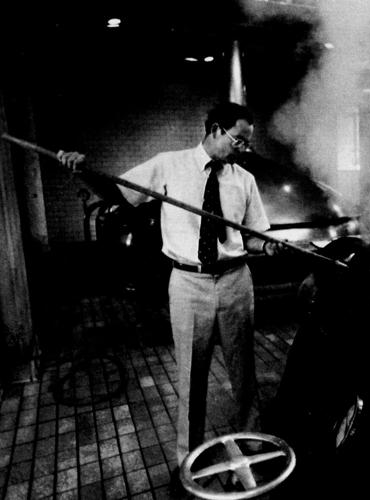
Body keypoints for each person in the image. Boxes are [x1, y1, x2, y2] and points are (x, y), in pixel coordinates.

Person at [58, 102, 284, 491]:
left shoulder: (243, 178)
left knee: (244, 372)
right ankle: (189, 461)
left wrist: (268, 248)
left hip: (235, 281)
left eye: (247, 142)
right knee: (191, 376)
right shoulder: (168, 165)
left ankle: (252, 444)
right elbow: (116, 192)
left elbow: (252, 234)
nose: (244, 148)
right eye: (239, 140)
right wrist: (81, 169)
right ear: (215, 130)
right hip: (187, 283)